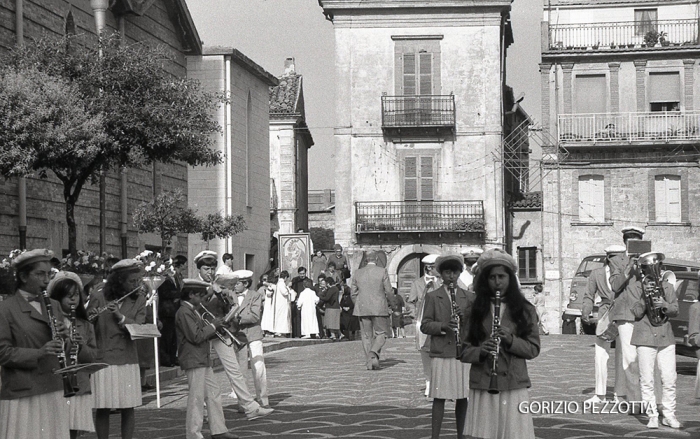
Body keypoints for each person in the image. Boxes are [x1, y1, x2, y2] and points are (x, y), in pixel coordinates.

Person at [462, 248, 539, 439]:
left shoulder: (525, 309)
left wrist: (510, 340)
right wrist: (481, 351)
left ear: (510, 279)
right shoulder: (474, 310)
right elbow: (463, 351)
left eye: (502, 277)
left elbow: (533, 349)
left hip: (513, 382)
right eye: (492, 277)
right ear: (485, 280)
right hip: (484, 380)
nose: (497, 282)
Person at [0, 249, 70, 439]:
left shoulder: (54, 305)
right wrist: (39, 353)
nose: (46, 280)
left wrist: (66, 337)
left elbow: (65, 348)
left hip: (52, 386)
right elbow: (3, 353)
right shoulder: (6, 309)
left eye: (49, 274)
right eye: (40, 274)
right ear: (23, 276)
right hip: (24, 391)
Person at [192, 251, 270, 420]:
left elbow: (228, 307)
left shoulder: (220, 284)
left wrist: (226, 297)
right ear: (199, 269)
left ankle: (249, 406)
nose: (210, 272)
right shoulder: (193, 285)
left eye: (213, 268)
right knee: (205, 373)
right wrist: (210, 292)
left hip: (221, 332)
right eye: (206, 269)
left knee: (234, 369)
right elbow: (193, 309)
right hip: (204, 334)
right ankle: (205, 410)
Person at [87, 258, 146, 439]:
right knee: (103, 407)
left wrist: (119, 316)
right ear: (119, 280)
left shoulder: (140, 298)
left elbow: (139, 327)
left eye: (138, 281)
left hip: (127, 359)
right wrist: (92, 317)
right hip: (104, 359)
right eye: (131, 281)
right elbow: (87, 325)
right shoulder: (99, 296)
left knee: (128, 407)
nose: (135, 285)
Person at [175, 279, 239, 439]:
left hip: (202, 358)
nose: (203, 299)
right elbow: (195, 336)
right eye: (200, 295)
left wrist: (213, 324)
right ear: (190, 295)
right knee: (196, 398)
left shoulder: (193, 310)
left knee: (213, 393)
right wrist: (213, 326)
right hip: (193, 359)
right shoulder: (184, 312)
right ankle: (193, 434)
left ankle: (219, 430)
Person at [420, 254, 472, 439]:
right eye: (447, 272)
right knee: (439, 396)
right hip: (441, 351)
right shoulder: (433, 296)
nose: (451, 276)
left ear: (459, 273)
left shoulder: (468, 297)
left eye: (455, 272)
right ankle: (435, 435)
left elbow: (478, 325)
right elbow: (425, 324)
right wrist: (443, 325)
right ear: (441, 274)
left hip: (462, 352)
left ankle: (462, 434)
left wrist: (464, 318)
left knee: (462, 396)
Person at [49, 272, 101, 439]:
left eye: (76, 295)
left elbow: (92, 357)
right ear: (57, 297)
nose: (73, 299)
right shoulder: (49, 322)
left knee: (72, 430)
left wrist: (79, 347)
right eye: (68, 296)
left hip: (78, 384)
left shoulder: (85, 325)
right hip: (55, 384)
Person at [630, 269, 681, 429]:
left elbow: (676, 310)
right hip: (644, 336)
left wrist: (664, 305)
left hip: (666, 336)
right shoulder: (636, 286)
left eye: (656, 266)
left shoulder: (668, 287)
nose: (654, 270)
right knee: (647, 379)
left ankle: (669, 414)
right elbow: (636, 312)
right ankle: (652, 415)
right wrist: (647, 299)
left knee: (669, 378)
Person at [582, 245, 626, 404]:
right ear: (609, 257)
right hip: (605, 315)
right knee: (600, 354)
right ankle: (599, 394)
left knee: (622, 355)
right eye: (617, 256)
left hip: (623, 314)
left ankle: (619, 394)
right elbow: (588, 295)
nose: (621, 260)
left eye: (622, 256)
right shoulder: (596, 273)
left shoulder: (626, 273)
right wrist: (585, 311)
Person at [608, 226, 646, 407]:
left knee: (646, 359)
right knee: (630, 359)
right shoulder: (617, 261)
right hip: (625, 314)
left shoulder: (648, 260)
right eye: (631, 242)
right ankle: (635, 401)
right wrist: (629, 266)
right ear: (625, 243)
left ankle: (651, 399)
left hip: (644, 313)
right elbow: (615, 286)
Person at [231, 270, 274, 413]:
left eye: (237, 283)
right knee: (240, 369)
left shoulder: (255, 295)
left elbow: (254, 316)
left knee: (258, 366)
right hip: (238, 336)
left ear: (246, 283)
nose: (235, 286)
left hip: (254, 334)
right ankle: (243, 402)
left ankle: (263, 399)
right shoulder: (230, 296)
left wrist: (235, 318)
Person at [350, 251, 393, 370]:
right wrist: (392, 305)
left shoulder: (358, 273)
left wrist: (359, 304)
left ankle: (370, 362)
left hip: (362, 308)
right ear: (377, 259)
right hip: (379, 308)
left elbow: (353, 293)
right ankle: (374, 352)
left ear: (365, 260)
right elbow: (389, 291)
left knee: (366, 336)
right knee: (381, 333)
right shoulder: (382, 271)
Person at [408, 254, 441, 396]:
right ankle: (428, 382)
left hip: (440, 321)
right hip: (424, 321)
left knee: (441, 353)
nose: (432, 270)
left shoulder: (443, 281)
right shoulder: (417, 283)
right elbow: (410, 301)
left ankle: (442, 383)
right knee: (425, 352)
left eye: (434, 267)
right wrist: (415, 315)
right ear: (426, 268)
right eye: (430, 267)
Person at [158, 254, 187, 367]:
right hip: (167, 311)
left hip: (174, 309)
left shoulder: (177, 277)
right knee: (166, 336)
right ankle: (165, 359)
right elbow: (165, 293)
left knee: (174, 336)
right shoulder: (164, 278)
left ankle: (172, 357)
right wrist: (179, 294)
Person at [290, 267, 313, 338]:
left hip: (306, 302)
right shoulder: (295, 280)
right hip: (296, 301)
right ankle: (296, 334)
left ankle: (305, 333)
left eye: (303, 273)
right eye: (300, 273)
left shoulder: (308, 281)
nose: (302, 275)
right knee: (296, 318)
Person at [272, 271, 294, 337]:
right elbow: (285, 292)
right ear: (285, 278)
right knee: (282, 317)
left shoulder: (280, 283)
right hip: (282, 304)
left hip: (282, 303)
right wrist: (288, 288)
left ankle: (281, 331)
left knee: (282, 317)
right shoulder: (281, 284)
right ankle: (281, 331)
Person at [319, 276, 342, 340]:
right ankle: (338, 335)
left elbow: (327, 298)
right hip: (335, 307)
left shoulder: (332, 289)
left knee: (330, 323)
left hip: (331, 307)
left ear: (328, 283)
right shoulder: (335, 288)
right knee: (335, 323)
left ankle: (334, 335)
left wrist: (320, 296)